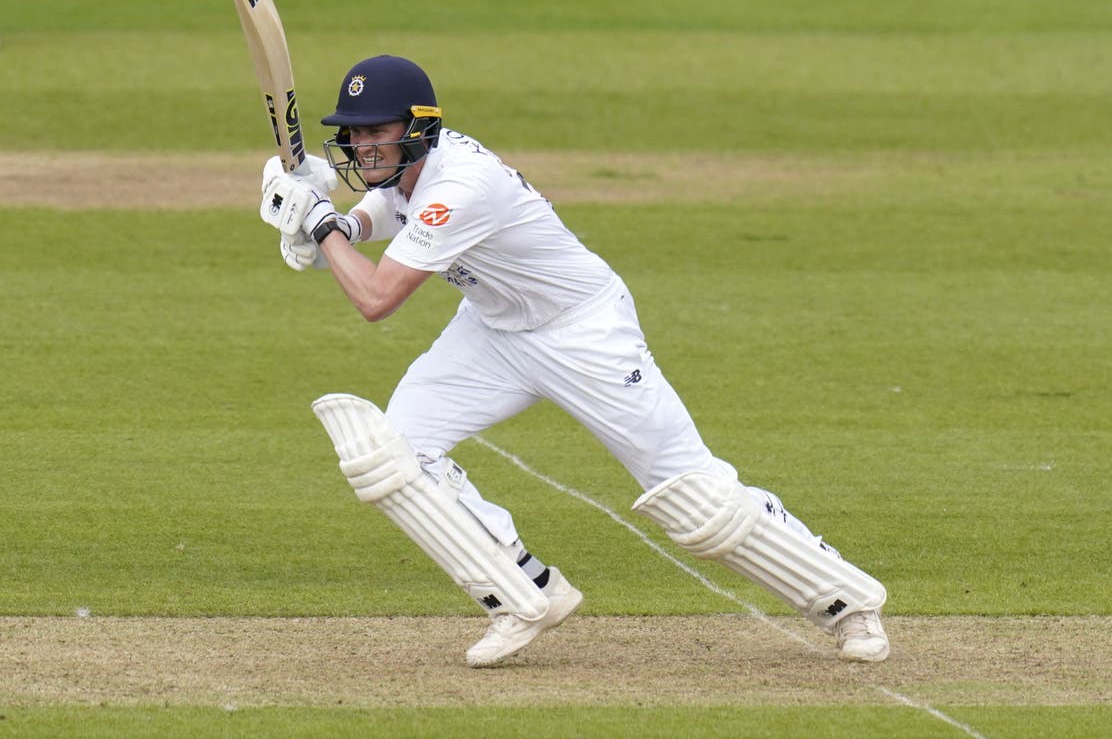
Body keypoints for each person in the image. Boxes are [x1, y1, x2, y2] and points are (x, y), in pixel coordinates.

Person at [260, 54, 890, 667]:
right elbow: (384, 211)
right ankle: (522, 592)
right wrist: (333, 219)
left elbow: (376, 299)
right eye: (355, 132)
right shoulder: (416, 169)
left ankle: (849, 604)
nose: (364, 146)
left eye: (378, 131)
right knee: (392, 454)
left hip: (583, 333)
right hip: (493, 329)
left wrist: (320, 225)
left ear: (419, 128)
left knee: (692, 495)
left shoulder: (461, 186)